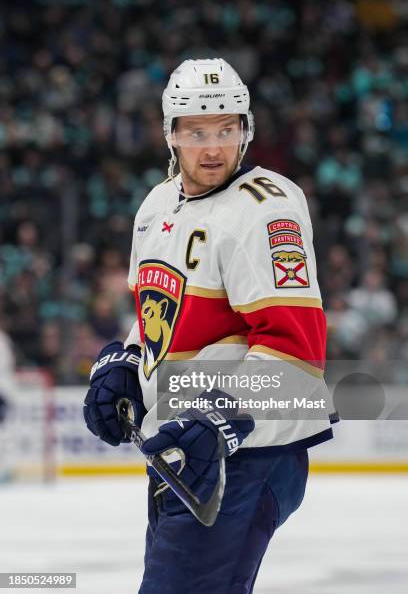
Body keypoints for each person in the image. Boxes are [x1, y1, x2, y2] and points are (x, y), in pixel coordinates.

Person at [84, 58, 335, 593]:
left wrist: (222, 414)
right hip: (183, 444)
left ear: (246, 130)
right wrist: (129, 360)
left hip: (247, 453)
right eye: (197, 132)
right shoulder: (157, 205)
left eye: (227, 128)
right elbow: (160, 320)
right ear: (170, 134)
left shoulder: (267, 210)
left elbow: (298, 350)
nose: (214, 147)